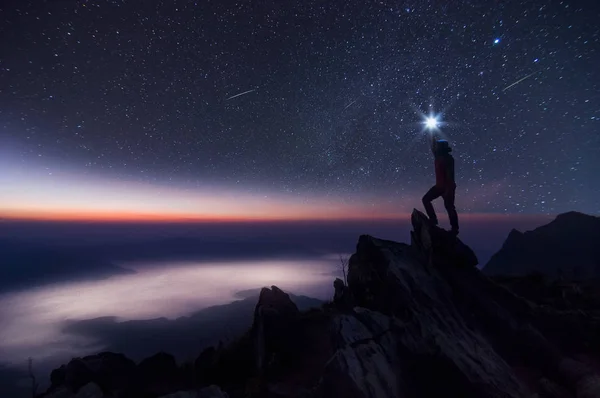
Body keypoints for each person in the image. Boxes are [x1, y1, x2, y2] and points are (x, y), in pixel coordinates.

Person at [422, 134, 459, 235]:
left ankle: (454, 229)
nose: (436, 148)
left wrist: (448, 190)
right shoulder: (439, 156)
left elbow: (450, 176)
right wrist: (431, 133)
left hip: (448, 187)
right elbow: (432, 146)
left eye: (438, 147)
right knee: (426, 199)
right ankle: (433, 220)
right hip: (440, 186)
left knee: (449, 206)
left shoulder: (448, 159)